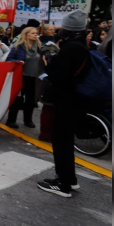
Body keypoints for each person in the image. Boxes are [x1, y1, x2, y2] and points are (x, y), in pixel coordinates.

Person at [37, 10, 92, 197]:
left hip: (67, 100)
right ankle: (70, 178)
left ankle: (63, 183)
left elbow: (60, 76)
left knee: (61, 141)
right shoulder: (81, 44)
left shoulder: (72, 48)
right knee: (66, 141)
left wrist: (49, 62)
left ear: (69, 28)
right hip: (74, 99)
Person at [4, 27, 41, 128]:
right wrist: (17, 62)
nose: (35, 35)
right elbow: (9, 59)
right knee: (18, 98)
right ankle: (11, 120)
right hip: (21, 75)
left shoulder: (39, 47)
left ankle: (28, 120)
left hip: (34, 77)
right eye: (33, 33)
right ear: (26, 34)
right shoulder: (19, 46)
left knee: (31, 99)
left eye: (36, 33)